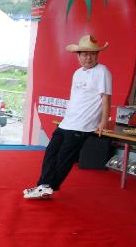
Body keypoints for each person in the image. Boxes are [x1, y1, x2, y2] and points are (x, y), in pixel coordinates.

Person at [24, 34, 111, 199]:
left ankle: (48, 187)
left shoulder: (102, 71)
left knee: (65, 157)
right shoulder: (78, 73)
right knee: (51, 152)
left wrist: (103, 122)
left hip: (83, 124)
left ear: (97, 55)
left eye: (92, 54)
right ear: (78, 55)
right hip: (67, 122)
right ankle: (43, 186)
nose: (88, 57)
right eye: (84, 54)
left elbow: (106, 98)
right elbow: (75, 98)